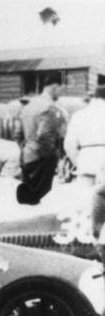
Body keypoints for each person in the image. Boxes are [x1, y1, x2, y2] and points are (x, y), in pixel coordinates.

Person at [63, 85, 105, 237]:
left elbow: (69, 145)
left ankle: (83, 237)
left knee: (84, 204)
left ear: (94, 96)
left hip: (86, 160)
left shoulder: (80, 115)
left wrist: (79, 161)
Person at [16, 80, 66, 205]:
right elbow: (45, 135)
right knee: (39, 199)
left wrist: (26, 149)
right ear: (54, 87)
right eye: (61, 89)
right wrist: (51, 156)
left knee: (28, 201)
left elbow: (17, 134)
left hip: (26, 157)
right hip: (42, 159)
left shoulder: (28, 106)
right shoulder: (49, 107)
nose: (62, 93)